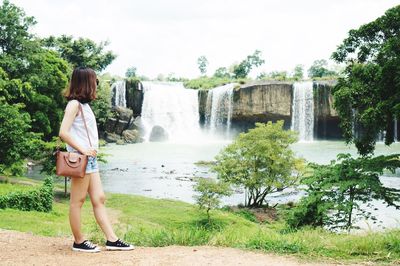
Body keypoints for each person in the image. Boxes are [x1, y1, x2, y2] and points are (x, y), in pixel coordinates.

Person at [59, 67, 134, 253]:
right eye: (94, 81)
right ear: (86, 83)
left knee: (99, 198)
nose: (96, 85)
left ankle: (112, 239)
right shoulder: (74, 104)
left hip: (91, 160)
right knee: (78, 201)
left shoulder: (84, 105)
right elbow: (63, 133)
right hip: (82, 159)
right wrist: (84, 149)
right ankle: (78, 241)